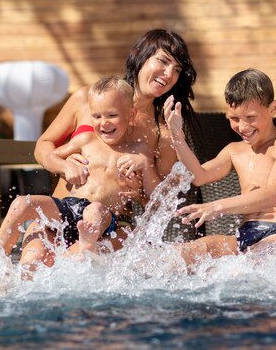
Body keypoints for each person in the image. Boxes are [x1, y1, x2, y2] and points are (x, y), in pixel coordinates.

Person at [18, 29, 198, 263]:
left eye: (176, 70)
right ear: (140, 56)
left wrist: (140, 190)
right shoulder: (87, 98)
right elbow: (43, 145)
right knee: (33, 261)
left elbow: (161, 202)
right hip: (61, 211)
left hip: (112, 226)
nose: (168, 74)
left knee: (72, 264)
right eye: (163, 62)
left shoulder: (161, 132)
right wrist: (63, 166)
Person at [0, 77, 159, 268]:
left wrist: (145, 166)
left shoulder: (139, 151)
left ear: (131, 115)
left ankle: (85, 248)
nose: (103, 123)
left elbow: (155, 194)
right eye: (96, 116)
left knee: (95, 210)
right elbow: (50, 156)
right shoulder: (85, 140)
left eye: (112, 115)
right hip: (68, 207)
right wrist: (66, 166)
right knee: (21, 203)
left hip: (104, 217)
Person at [163, 68, 276, 267]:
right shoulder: (234, 150)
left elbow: (273, 195)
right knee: (192, 251)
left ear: (272, 109)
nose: (242, 127)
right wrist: (177, 136)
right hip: (244, 235)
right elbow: (198, 176)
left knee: (259, 260)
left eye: (250, 118)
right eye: (234, 118)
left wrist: (216, 206)